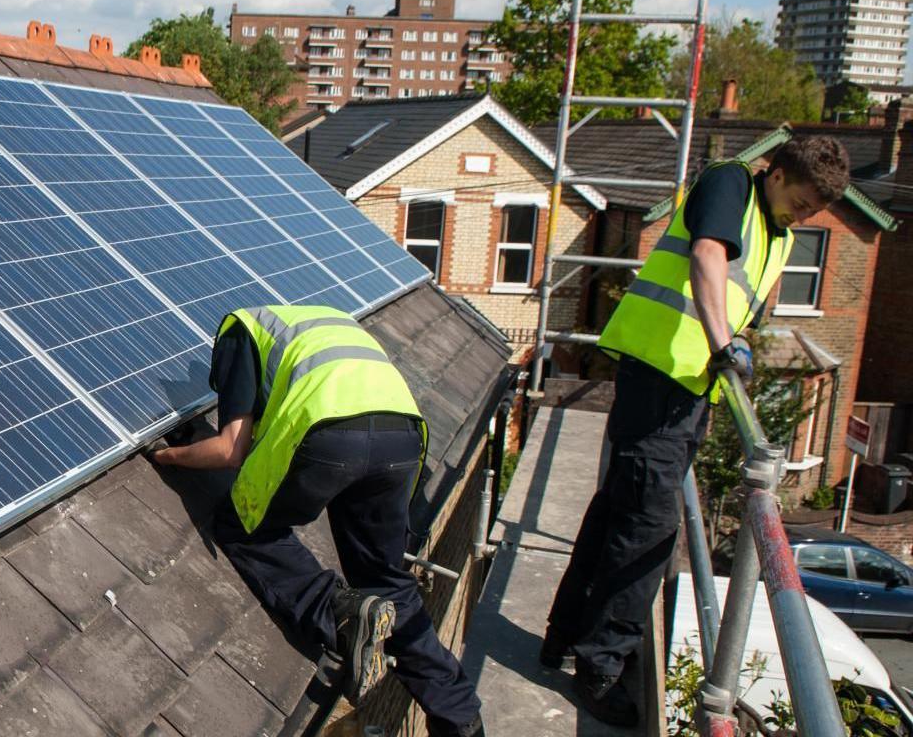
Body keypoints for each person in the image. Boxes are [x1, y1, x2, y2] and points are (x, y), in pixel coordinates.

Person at [543, 136, 851, 726]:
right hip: (662, 377)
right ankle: (602, 664)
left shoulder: (776, 233)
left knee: (620, 514)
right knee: (650, 530)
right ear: (778, 173)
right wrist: (722, 343)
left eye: (815, 212)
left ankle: (565, 639)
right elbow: (707, 253)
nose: (803, 216)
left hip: (686, 390)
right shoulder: (731, 183)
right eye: (802, 201)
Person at [151, 305, 484, 737]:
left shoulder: (237, 332)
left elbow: (232, 448)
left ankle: (341, 614)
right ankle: (460, 716)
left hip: (330, 433)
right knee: (384, 578)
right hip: (402, 437)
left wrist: (166, 455)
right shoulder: (322, 319)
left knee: (245, 528)